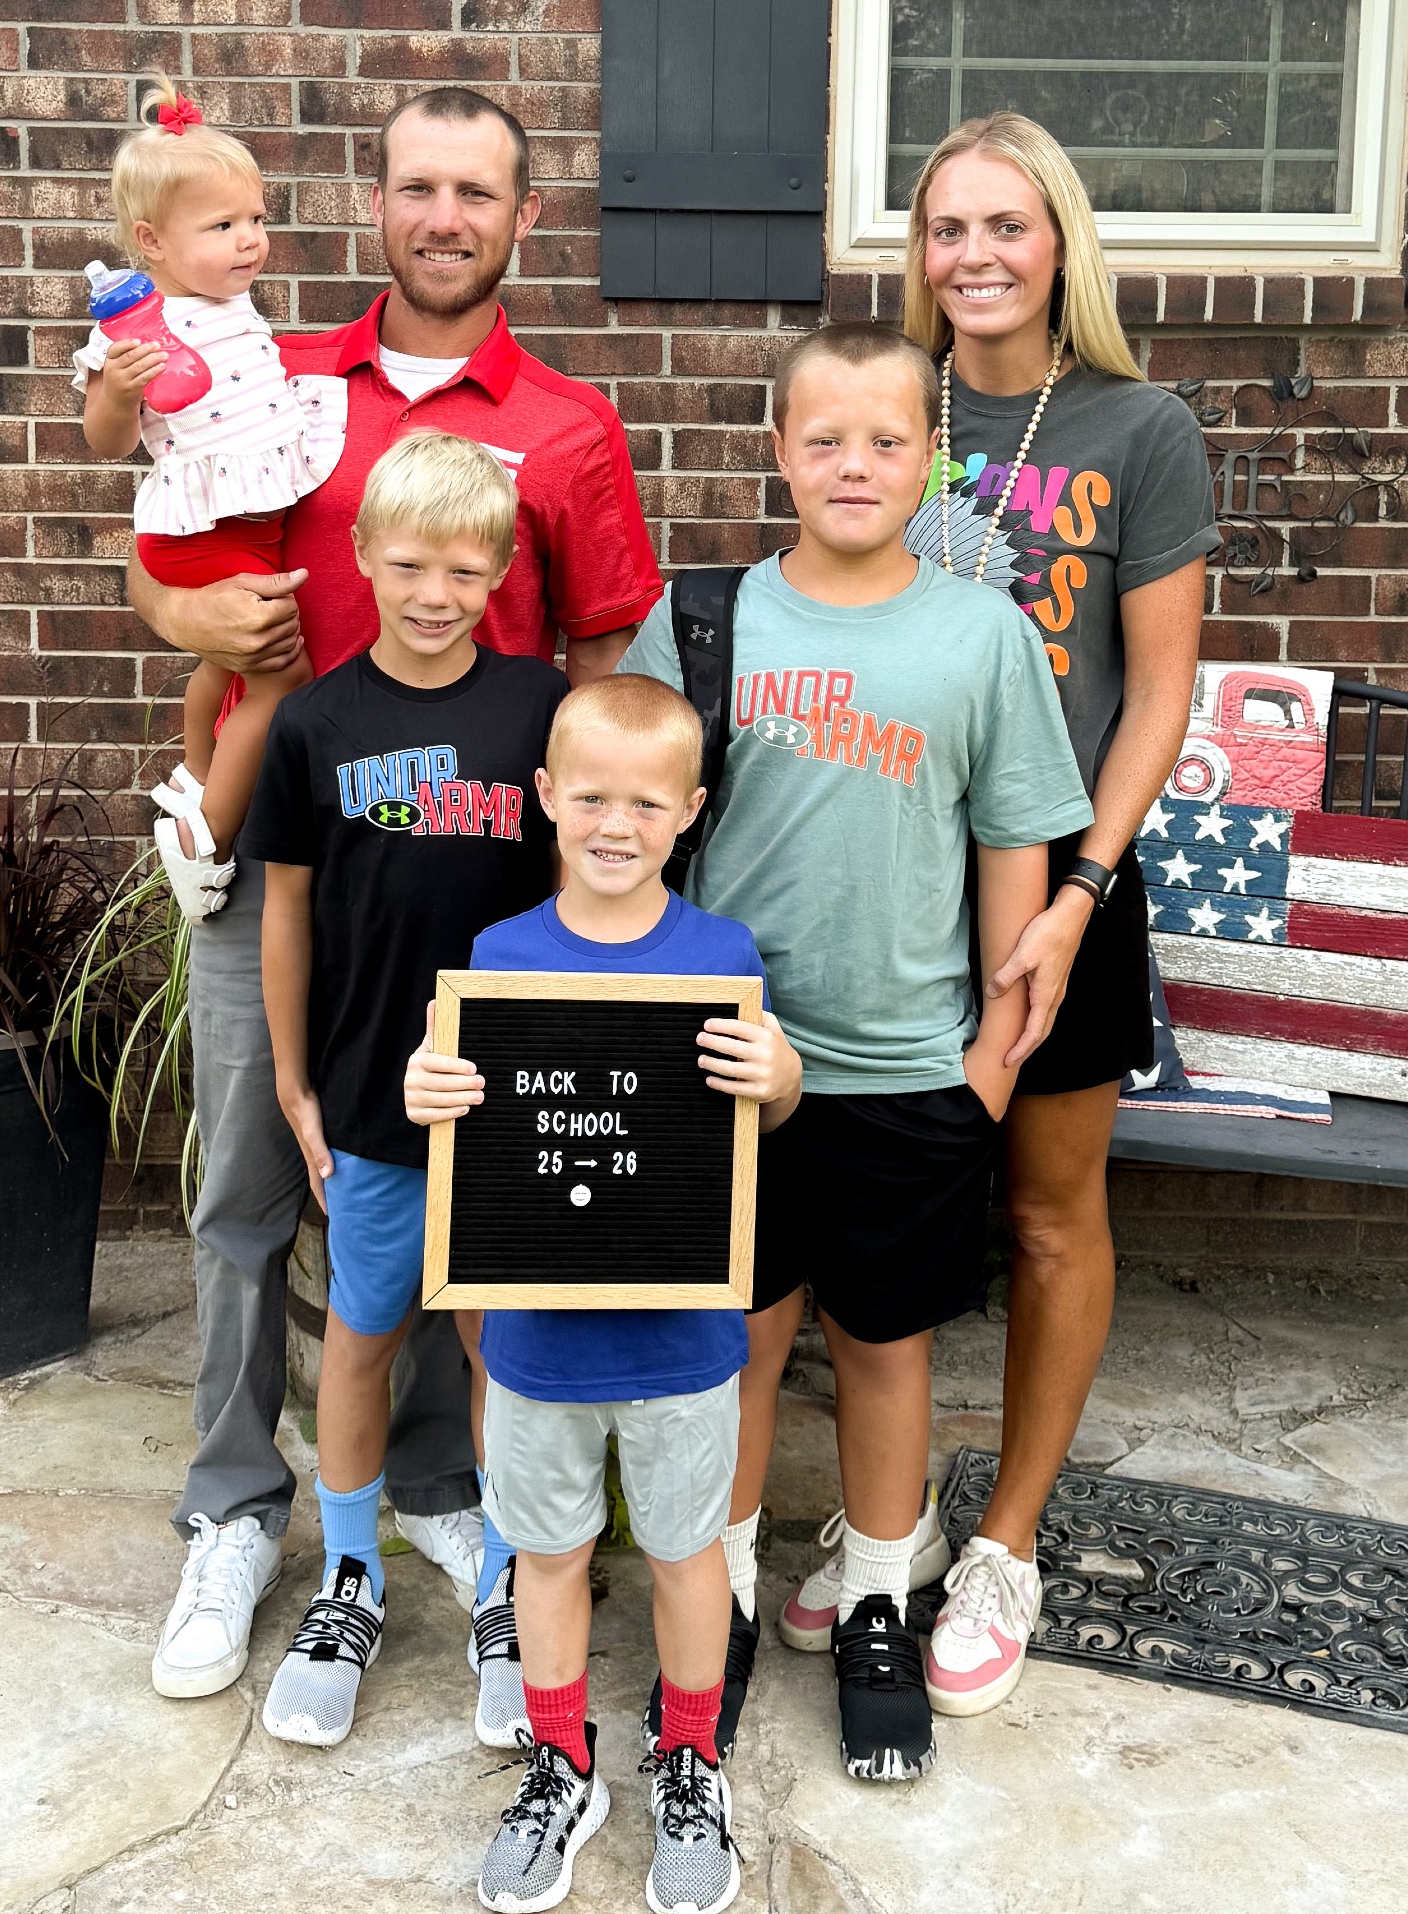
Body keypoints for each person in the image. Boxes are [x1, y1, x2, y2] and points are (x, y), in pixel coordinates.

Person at [130, 87, 662, 1703]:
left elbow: (602, 667)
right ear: (376, 201)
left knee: (457, 1211)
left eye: (476, 192)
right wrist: (190, 630)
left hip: (477, 885)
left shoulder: (567, 426)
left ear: (522, 216)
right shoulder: (274, 380)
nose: (444, 217)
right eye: (417, 186)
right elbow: (168, 552)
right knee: (250, 1186)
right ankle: (236, 1504)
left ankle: (440, 1488)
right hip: (295, 858)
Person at [618, 322, 1092, 1781]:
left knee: (885, 1348)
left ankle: (880, 1596)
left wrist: (987, 1067)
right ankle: (722, 1597)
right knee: (735, 1343)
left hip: (904, 1070)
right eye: (821, 438)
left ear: (928, 462)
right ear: (777, 451)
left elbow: (1011, 850)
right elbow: (626, 827)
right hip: (725, 1063)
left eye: (885, 440)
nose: (852, 465)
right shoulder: (705, 622)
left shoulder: (981, 636)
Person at [893, 112, 1215, 1718]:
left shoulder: (1139, 427)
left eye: (1005, 224)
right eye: (946, 227)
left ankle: (1005, 1539)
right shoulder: (890, 401)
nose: (975, 255)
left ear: (1060, 241)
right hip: (895, 869)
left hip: (1065, 880)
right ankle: (882, 1517)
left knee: (1043, 1213)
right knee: (882, 1200)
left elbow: (1156, 693)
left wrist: (1083, 890)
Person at [405, 674, 802, 1913]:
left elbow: (757, 1118)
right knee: (547, 1554)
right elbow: (470, 1127)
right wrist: (429, 1091)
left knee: (689, 1554)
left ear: (688, 809)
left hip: (683, 1340)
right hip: (538, 1342)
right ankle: (559, 1762)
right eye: (588, 797)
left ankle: (688, 1758)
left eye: (643, 801)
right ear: (544, 797)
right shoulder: (499, 960)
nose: (614, 824)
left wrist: (780, 1072)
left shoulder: (721, 957)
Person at [237, 428, 566, 1748]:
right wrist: (292, 1079)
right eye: (413, 564)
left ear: (501, 572)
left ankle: (506, 1584)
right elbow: (285, 913)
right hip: (371, 1094)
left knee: (498, 1343)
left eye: (467, 571)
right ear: (364, 556)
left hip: (507, 1101)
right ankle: (349, 1573)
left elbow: (582, 894)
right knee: (361, 1333)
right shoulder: (316, 722)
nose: (438, 594)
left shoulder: (538, 707)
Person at [74, 78, 346, 919]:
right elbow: (106, 441)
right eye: (222, 226)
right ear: (151, 242)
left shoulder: (232, 304)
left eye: (255, 219)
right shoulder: (137, 331)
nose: (249, 240)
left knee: (223, 661)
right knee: (281, 675)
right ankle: (206, 837)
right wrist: (120, 391)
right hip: (200, 529)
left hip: (249, 524)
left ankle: (196, 772)